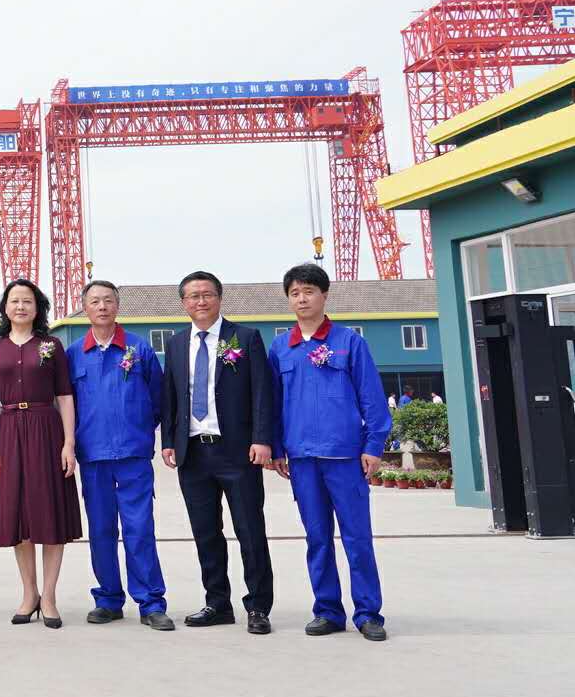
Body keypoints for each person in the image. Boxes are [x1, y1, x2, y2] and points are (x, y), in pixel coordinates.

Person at [269, 263, 391, 642]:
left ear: (324, 295)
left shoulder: (349, 342)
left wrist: (373, 445)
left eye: (309, 291)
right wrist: (277, 448)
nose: (302, 299)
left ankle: (368, 613)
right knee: (317, 538)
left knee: (357, 538)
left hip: (345, 457)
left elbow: (372, 399)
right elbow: (272, 405)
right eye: (295, 293)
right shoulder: (280, 348)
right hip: (302, 459)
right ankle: (327, 611)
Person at [161, 271, 275, 635]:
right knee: (205, 532)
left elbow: (261, 392)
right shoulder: (177, 344)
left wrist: (262, 439)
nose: (200, 301)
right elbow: (171, 396)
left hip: (237, 451)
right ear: (184, 303)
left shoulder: (245, 338)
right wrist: (168, 440)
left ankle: (258, 607)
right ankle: (217, 603)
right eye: (192, 296)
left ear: (219, 298)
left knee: (249, 530)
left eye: (207, 294)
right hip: (193, 452)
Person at [66, 280, 174, 631]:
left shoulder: (139, 349)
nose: (102, 307)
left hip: (132, 455)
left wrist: (138, 429)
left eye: (108, 300)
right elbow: (65, 405)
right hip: (93, 455)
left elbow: (158, 400)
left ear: (117, 305)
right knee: (100, 530)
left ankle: (151, 602)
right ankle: (109, 599)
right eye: (95, 301)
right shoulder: (73, 355)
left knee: (139, 528)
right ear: (85, 308)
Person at [0, 278, 82, 629]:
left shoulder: (51, 345)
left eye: (28, 301)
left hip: (46, 429)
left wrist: (68, 443)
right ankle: (29, 593)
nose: (21, 306)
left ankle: (50, 596)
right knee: (19, 513)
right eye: (15, 301)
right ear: (5, 308)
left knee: (49, 511)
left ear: (37, 308)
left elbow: (65, 396)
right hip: (9, 431)